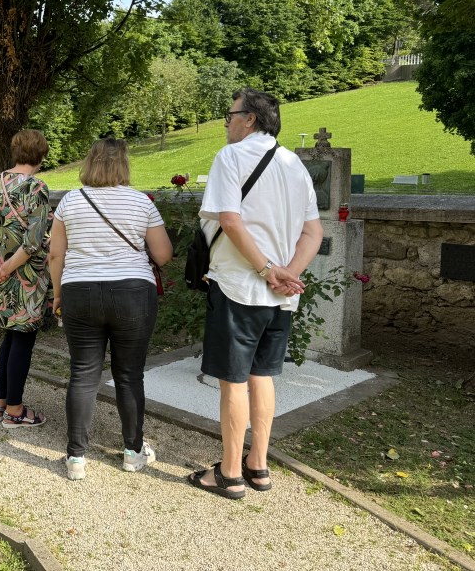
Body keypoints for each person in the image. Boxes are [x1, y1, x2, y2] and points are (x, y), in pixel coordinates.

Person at [188, 88, 322, 499]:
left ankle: (229, 474)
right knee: (262, 376)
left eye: (229, 115)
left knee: (233, 381)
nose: (226, 123)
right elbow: (313, 232)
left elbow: (229, 220)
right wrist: (287, 274)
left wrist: (266, 270)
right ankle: (258, 466)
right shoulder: (295, 165)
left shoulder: (231, 157)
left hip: (239, 287)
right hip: (281, 295)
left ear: (249, 118)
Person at [48, 139, 173, 480]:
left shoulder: (70, 201)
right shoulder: (141, 202)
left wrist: (58, 295)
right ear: (124, 164)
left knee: (83, 373)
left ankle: (76, 457)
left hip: (79, 290)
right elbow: (163, 255)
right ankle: (133, 451)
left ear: (89, 164)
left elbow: (56, 254)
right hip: (132, 292)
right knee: (129, 374)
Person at [0, 129, 52, 429]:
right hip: (27, 277)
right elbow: (33, 243)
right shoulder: (37, 187)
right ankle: (15, 411)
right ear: (41, 154)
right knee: (22, 340)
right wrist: (6, 268)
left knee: (10, 337)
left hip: (3, 274)